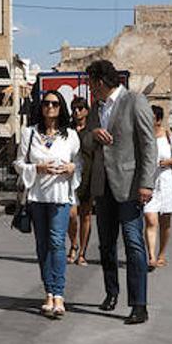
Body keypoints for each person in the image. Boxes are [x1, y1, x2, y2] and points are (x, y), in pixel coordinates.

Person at [81, 60, 157, 325]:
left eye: (91, 83)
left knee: (134, 244)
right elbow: (85, 141)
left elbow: (149, 146)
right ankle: (111, 292)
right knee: (105, 245)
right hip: (103, 187)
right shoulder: (96, 108)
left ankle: (139, 304)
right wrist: (94, 135)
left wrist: (147, 183)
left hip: (130, 186)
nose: (90, 89)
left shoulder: (135, 101)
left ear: (99, 82)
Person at [15, 89, 79, 318]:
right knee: (42, 245)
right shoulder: (29, 133)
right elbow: (19, 163)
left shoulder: (70, 135)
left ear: (61, 108)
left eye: (54, 104)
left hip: (60, 196)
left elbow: (79, 164)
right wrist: (37, 169)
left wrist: (72, 168)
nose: (49, 107)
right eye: (46, 104)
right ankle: (48, 292)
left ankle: (59, 293)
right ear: (40, 108)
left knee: (56, 242)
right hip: (37, 197)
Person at [144, 105, 172, 269]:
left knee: (165, 222)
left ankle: (161, 253)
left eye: (151, 118)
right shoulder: (143, 137)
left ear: (158, 120)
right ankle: (151, 256)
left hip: (166, 181)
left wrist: (168, 162)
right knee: (150, 218)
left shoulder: (169, 136)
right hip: (149, 182)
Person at [68, 96, 94, 265]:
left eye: (80, 108)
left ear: (86, 110)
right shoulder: (68, 130)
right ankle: (73, 244)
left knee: (86, 215)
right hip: (70, 177)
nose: (77, 112)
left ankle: (82, 251)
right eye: (74, 109)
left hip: (88, 176)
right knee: (71, 215)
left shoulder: (92, 130)